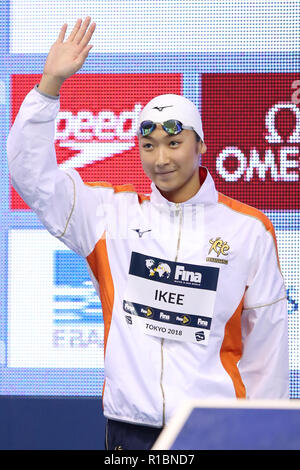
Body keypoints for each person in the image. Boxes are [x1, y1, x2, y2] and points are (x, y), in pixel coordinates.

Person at [7, 17, 289, 451]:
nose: (160, 159)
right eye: (148, 145)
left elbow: (267, 347)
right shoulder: (109, 215)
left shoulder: (249, 230)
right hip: (129, 430)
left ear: (201, 146)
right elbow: (32, 178)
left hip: (214, 430)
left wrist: (267, 437)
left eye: (174, 144)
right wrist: (49, 86)